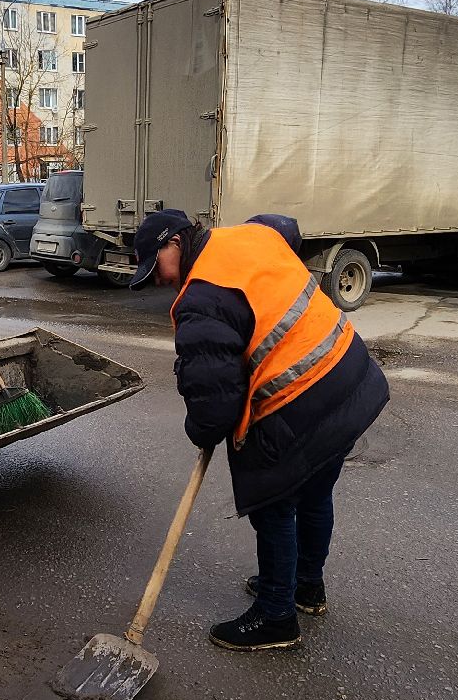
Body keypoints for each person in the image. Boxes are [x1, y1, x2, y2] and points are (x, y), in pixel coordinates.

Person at [130, 209, 389, 651]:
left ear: (174, 242)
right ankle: (306, 586)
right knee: (314, 491)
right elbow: (287, 228)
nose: (157, 281)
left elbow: (214, 410)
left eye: (156, 268)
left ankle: (276, 617)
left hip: (303, 394)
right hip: (349, 374)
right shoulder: (249, 237)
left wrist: (202, 427)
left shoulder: (201, 298)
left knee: (274, 504)